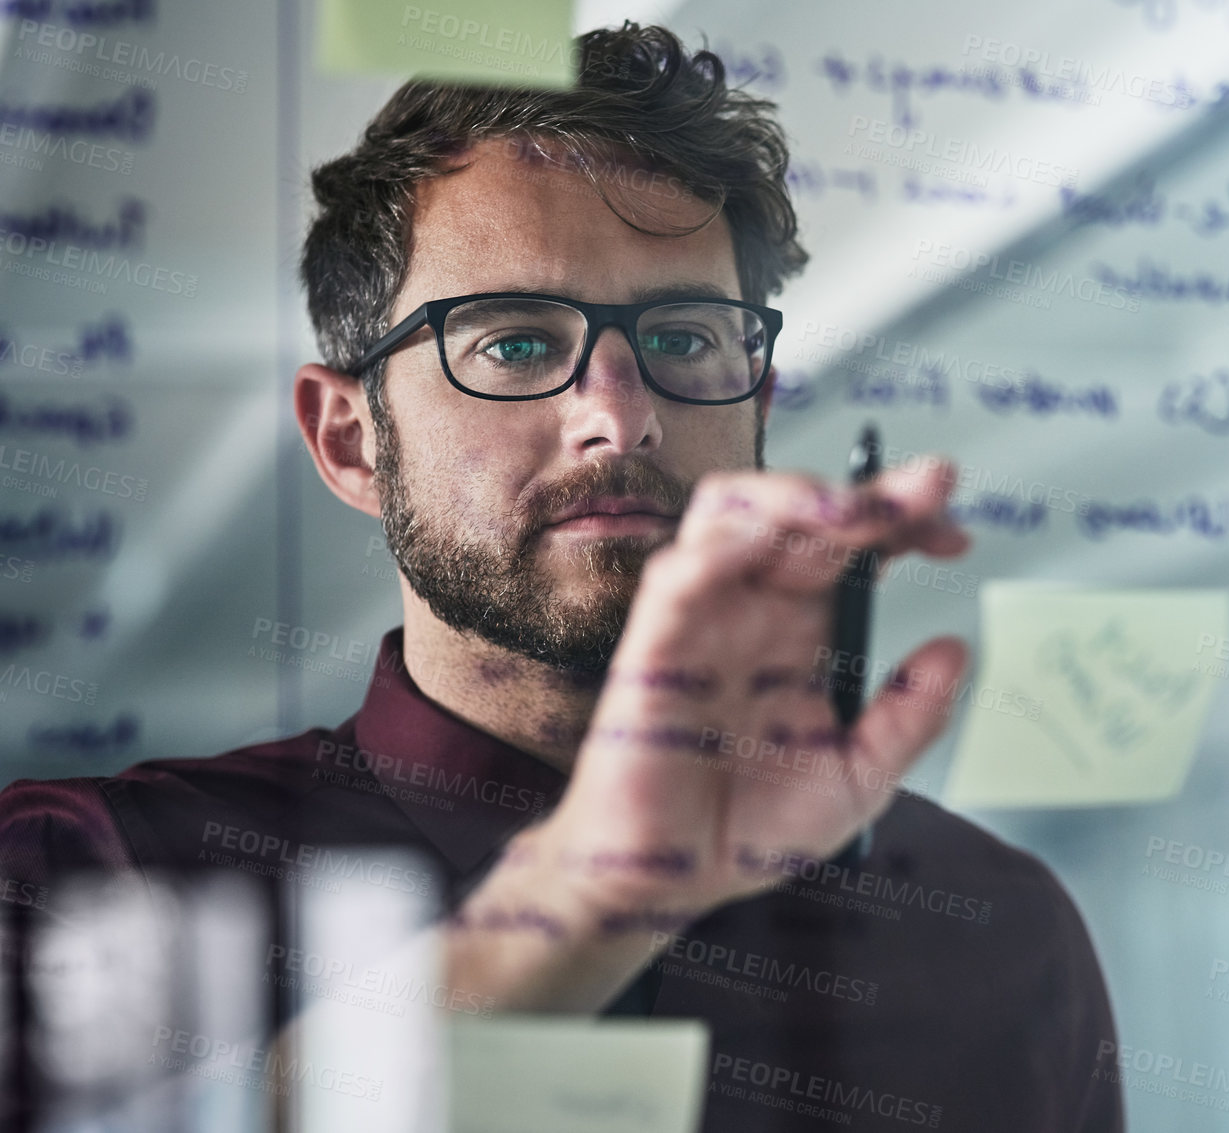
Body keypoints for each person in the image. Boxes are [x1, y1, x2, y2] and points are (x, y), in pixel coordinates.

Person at [0, 24, 1123, 1130]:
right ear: (350, 440)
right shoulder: (84, 879)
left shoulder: (995, 934)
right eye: (515, 343)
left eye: (684, 339)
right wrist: (586, 893)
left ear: (758, 403)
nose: (619, 418)